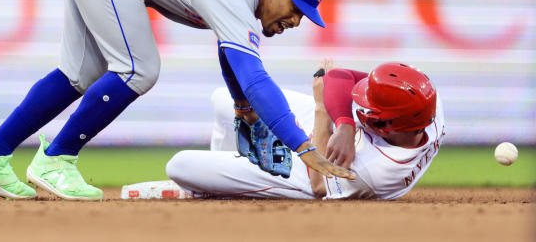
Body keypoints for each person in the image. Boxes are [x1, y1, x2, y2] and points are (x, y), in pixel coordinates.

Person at [0, 0, 354, 201]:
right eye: (297, 8)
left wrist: (241, 107)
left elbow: (230, 55)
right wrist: (301, 145)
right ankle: (57, 159)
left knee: (81, 71)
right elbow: (254, 77)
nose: (297, 21)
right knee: (137, 69)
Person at [158, 59, 445, 200]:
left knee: (179, 165)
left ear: (390, 125)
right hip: (336, 134)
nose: (361, 104)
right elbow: (339, 76)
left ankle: (213, 183)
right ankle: (218, 180)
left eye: (370, 108)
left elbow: (320, 185)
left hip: (309, 174)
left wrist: (323, 110)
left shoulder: (375, 172)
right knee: (226, 97)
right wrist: (344, 125)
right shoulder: (425, 101)